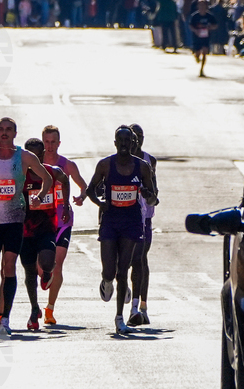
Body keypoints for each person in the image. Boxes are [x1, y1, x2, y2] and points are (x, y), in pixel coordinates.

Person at [0, 118, 52, 335]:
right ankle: (1, 312)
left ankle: (5, 319)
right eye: (0, 129)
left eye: (8, 130)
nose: (4, 133)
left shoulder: (24, 156)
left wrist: (40, 196)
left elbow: (47, 178)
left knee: (9, 266)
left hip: (14, 219)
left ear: (14, 133)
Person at [86, 126, 158, 335]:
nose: (125, 144)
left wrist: (146, 194)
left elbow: (154, 198)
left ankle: (119, 318)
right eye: (121, 140)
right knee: (109, 270)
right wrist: (101, 203)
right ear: (115, 143)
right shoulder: (105, 165)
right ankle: (107, 282)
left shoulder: (143, 167)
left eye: (129, 141)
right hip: (110, 220)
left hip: (132, 221)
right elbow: (91, 190)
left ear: (134, 143)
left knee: (123, 269)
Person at [20, 138, 69, 331]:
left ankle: (47, 273)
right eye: (30, 154)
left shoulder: (51, 171)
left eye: (38, 155)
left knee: (48, 261)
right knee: (29, 271)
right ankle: (34, 310)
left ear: (42, 155)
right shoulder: (19, 175)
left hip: (47, 226)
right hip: (24, 229)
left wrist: (65, 204)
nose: (34, 158)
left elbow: (65, 179)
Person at [41, 125, 86, 325]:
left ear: (59, 144)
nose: (50, 146)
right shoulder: (35, 163)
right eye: (46, 142)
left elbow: (83, 185)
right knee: (41, 265)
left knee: (58, 263)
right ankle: (45, 273)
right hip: (40, 220)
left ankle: (50, 309)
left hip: (62, 220)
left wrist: (81, 197)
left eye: (53, 142)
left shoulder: (67, 165)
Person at [128, 124, 157, 327]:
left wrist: (150, 196)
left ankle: (141, 307)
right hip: (123, 218)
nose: (137, 141)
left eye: (140, 136)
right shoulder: (117, 161)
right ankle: (125, 285)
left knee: (140, 259)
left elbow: (154, 189)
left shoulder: (149, 161)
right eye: (133, 137)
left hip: (144, 218)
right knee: (125, 261)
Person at [189, 0, 218, 77]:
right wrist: (195, 30)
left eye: (203, 5)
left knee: (205, 52)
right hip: (197, 37)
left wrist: (210, 27)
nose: (202, 7)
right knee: (198, 53)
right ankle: (197, 57)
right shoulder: (195, 16)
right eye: (200, 5)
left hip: (206, 37)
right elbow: (190, 25)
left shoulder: (210, 16)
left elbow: (215, 25)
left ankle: (202, 69)